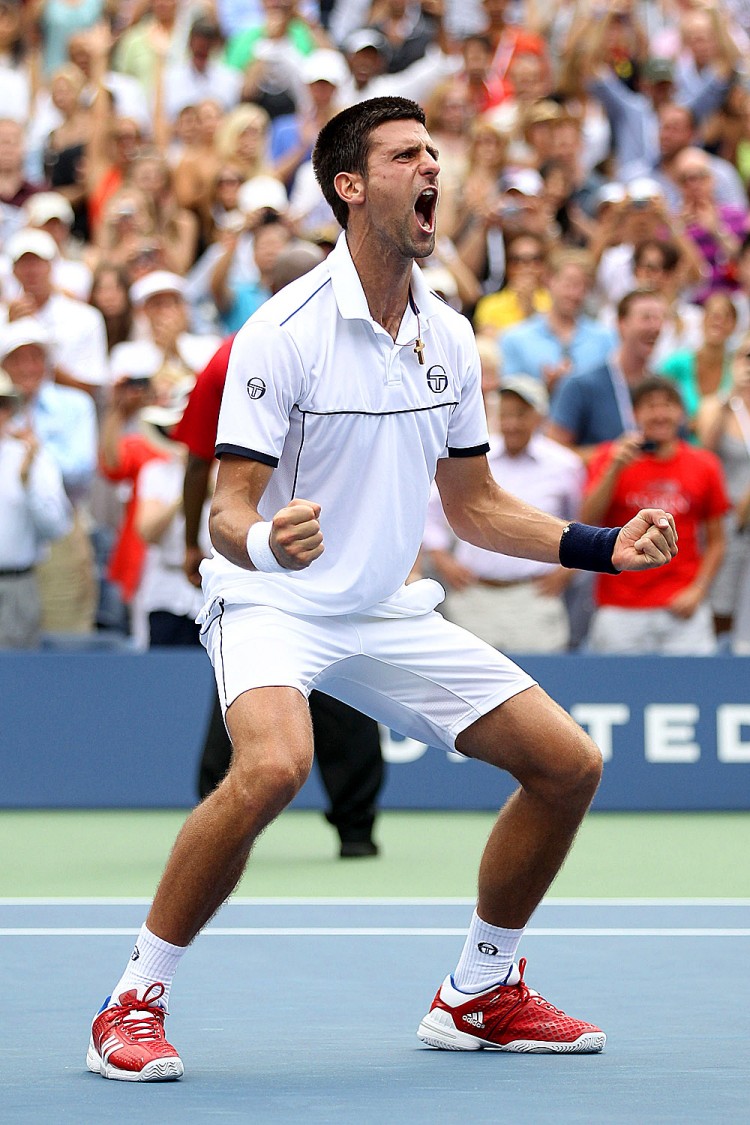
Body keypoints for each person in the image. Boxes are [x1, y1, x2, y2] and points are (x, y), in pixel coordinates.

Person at [87, 96, 678, 1082]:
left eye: (435, 154)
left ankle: (479, 991)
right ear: (350, 187)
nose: (432, 168)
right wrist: (270, 541)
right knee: (275, 767)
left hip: (383, 608)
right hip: (271, 601)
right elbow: (223, 514)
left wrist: (597, 546)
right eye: (407, 155)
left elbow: (477, 506)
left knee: (568, 765)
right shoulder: (280, 334)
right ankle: (134, 997)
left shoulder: (447, 337)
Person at [175, 241, 384, 856]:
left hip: (268, 555)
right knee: (341, 686)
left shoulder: (229, 356)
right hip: (298, 555)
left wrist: (198, 539)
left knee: (246, 691)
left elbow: (196, 467)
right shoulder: (354, 347)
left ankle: (226, 830)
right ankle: (357, 832)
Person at [423, 373, 584, 652]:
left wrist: (567, 571)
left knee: (543, 682)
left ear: (539, 417)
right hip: (474, 594)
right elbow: (432, 511)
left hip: (535, 595)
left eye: (521, 414)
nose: (512, 423)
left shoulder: (564, 465)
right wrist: (441, 559)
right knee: (469, 687)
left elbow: (580, 518)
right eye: (506, 414)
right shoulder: (473, 458)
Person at [581, 376, 727, 655]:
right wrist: (614, 469)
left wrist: (699, 590)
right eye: (650, 406)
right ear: (635, 414)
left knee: (691, 692)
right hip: (619, 607)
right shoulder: (610, 457)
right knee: (614, 693)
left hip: (683, 607)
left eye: (668, 405)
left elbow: (717, 541)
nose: (660, 414)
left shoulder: (704, 464)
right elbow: (587, 519)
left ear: (682, 414)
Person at [548, 287, 666, 461]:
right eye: (646, 318)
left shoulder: (663, 389)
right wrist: (610, 455)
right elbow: (553, 451)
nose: (655, 326)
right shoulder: (582, 385)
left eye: (659, 319)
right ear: (621, 324)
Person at [0, 366, 71, 647]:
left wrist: (28, 482)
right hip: (17, 583)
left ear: (7, 409)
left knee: (15, 679)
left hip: (17, 583)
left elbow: (57, 527)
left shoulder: (34, 458)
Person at [696, 339, 750, 654]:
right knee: (721, 605)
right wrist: (731, 394)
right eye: (746, 355)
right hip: (727, 522)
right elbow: (705, 450)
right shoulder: (715, 404)